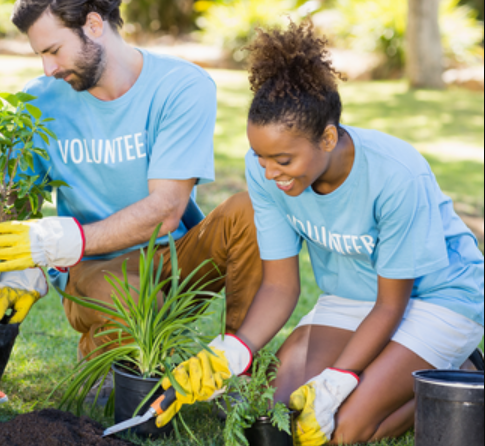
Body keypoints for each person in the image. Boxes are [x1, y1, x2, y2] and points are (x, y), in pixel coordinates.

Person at [155, 22, 484, 444]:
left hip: (437, 299)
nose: (270, 172)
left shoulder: (395, 175)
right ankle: (409, 370)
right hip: (352, 296)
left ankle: (453, 377)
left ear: (327, 138)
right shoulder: (266, 174)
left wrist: (338, 379)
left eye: (283, 160)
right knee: (282, 411)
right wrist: (230, 352)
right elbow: (279, 286)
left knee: (339, 428)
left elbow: (390, 305)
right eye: (260, 157)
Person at [0, 0, 263, 361]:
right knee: (137, 318)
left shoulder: (181, 87)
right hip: (94, 269)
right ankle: (111, 351)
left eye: (54, 50)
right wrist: (20, 276)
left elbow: (166, 211)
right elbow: (18, 202)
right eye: (41, 55)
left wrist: (66, 238)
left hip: (173, 260)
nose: (49, 68)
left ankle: (236, 365)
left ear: (94, 25)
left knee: (249, 210)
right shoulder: (39, 101)